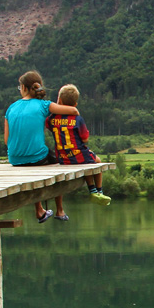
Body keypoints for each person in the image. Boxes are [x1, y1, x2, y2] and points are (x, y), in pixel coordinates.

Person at [4, 71, 79, 223]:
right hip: (37, 157)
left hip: (15, 158)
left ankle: (39, 210)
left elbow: (7, 140)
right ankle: (60, 209)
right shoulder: (44, 105)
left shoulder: (11, 108)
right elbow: (73, 111)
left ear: (24, 88)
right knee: (60, 161)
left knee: (33, 162)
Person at [47, 84, 111, 214]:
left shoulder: (52, 119)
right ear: (75, 104)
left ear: (59, 101)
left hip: (62, 158)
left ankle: (93, 189)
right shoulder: (77, 119)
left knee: (87, 161)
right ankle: (98, 191)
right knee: (96, 161)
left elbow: (48, 122)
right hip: (78, 155)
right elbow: (85, 139)